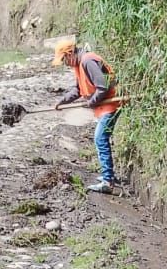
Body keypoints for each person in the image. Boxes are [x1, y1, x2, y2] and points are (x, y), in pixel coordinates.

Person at [52, 37, 124, 194]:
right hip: (104, 105)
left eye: (64, 60)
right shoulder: (79, 65)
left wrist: (91, 102)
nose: (65, 63)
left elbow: (102, 87)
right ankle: (108, 175)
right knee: (100, 138)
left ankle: (108, 181)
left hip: (112, 103)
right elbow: (78, 90)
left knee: (100, 138)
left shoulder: (87, 61)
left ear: (70, 53)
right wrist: (62, 101)